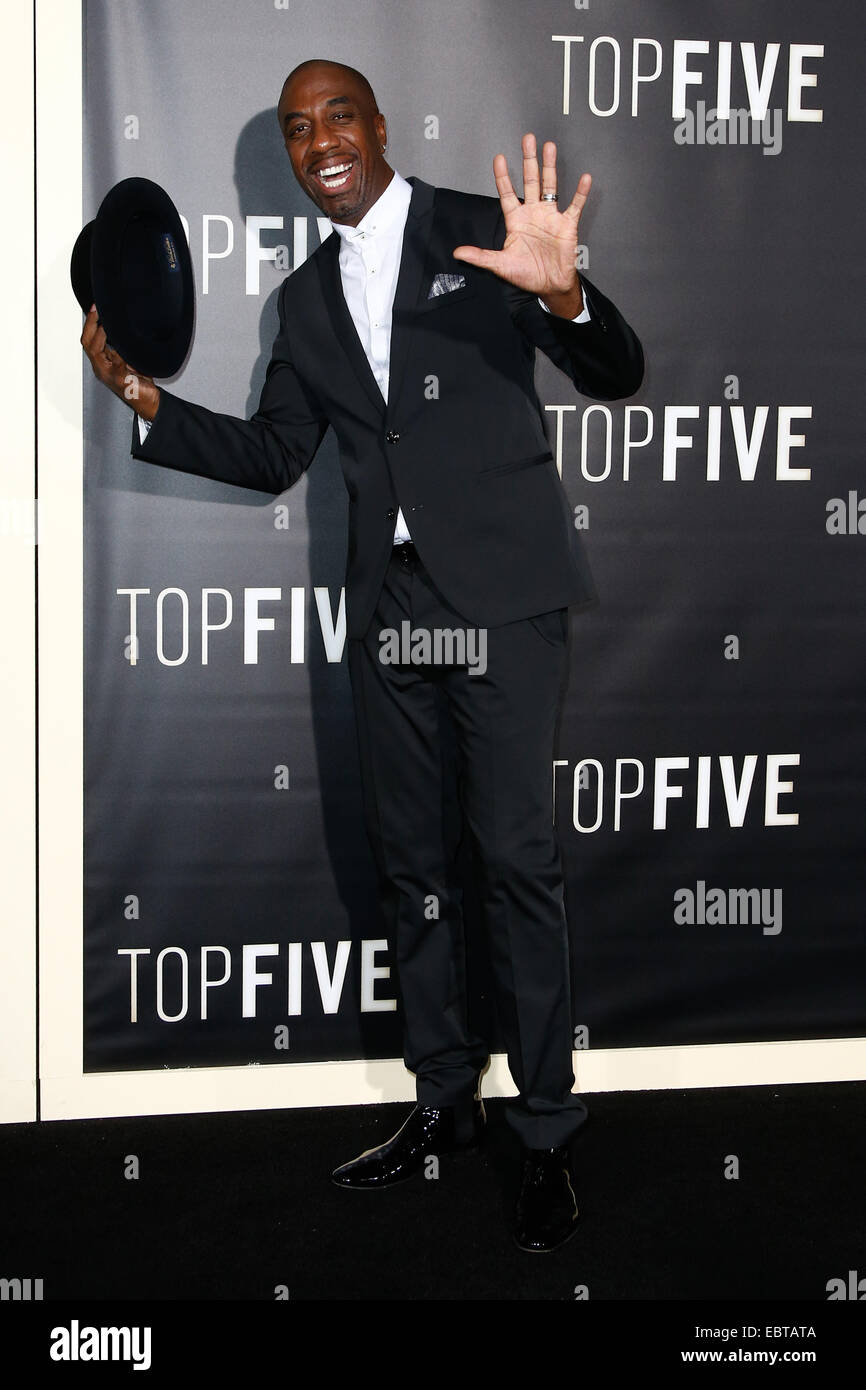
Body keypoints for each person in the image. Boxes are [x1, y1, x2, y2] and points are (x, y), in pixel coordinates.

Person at [81, 58, 643, 1253]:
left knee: (515, 861)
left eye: (337, 116)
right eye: (296, 129)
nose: (318, 139)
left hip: (498, 599)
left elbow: (615, 370)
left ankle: (544, 1132)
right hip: (388, 608)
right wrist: (138, 394)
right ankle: (442, 1100)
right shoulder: (304, 303)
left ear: (379, 126)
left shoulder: (484, 232)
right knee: (411, 866)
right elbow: (277, 453)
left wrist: (567, 301)